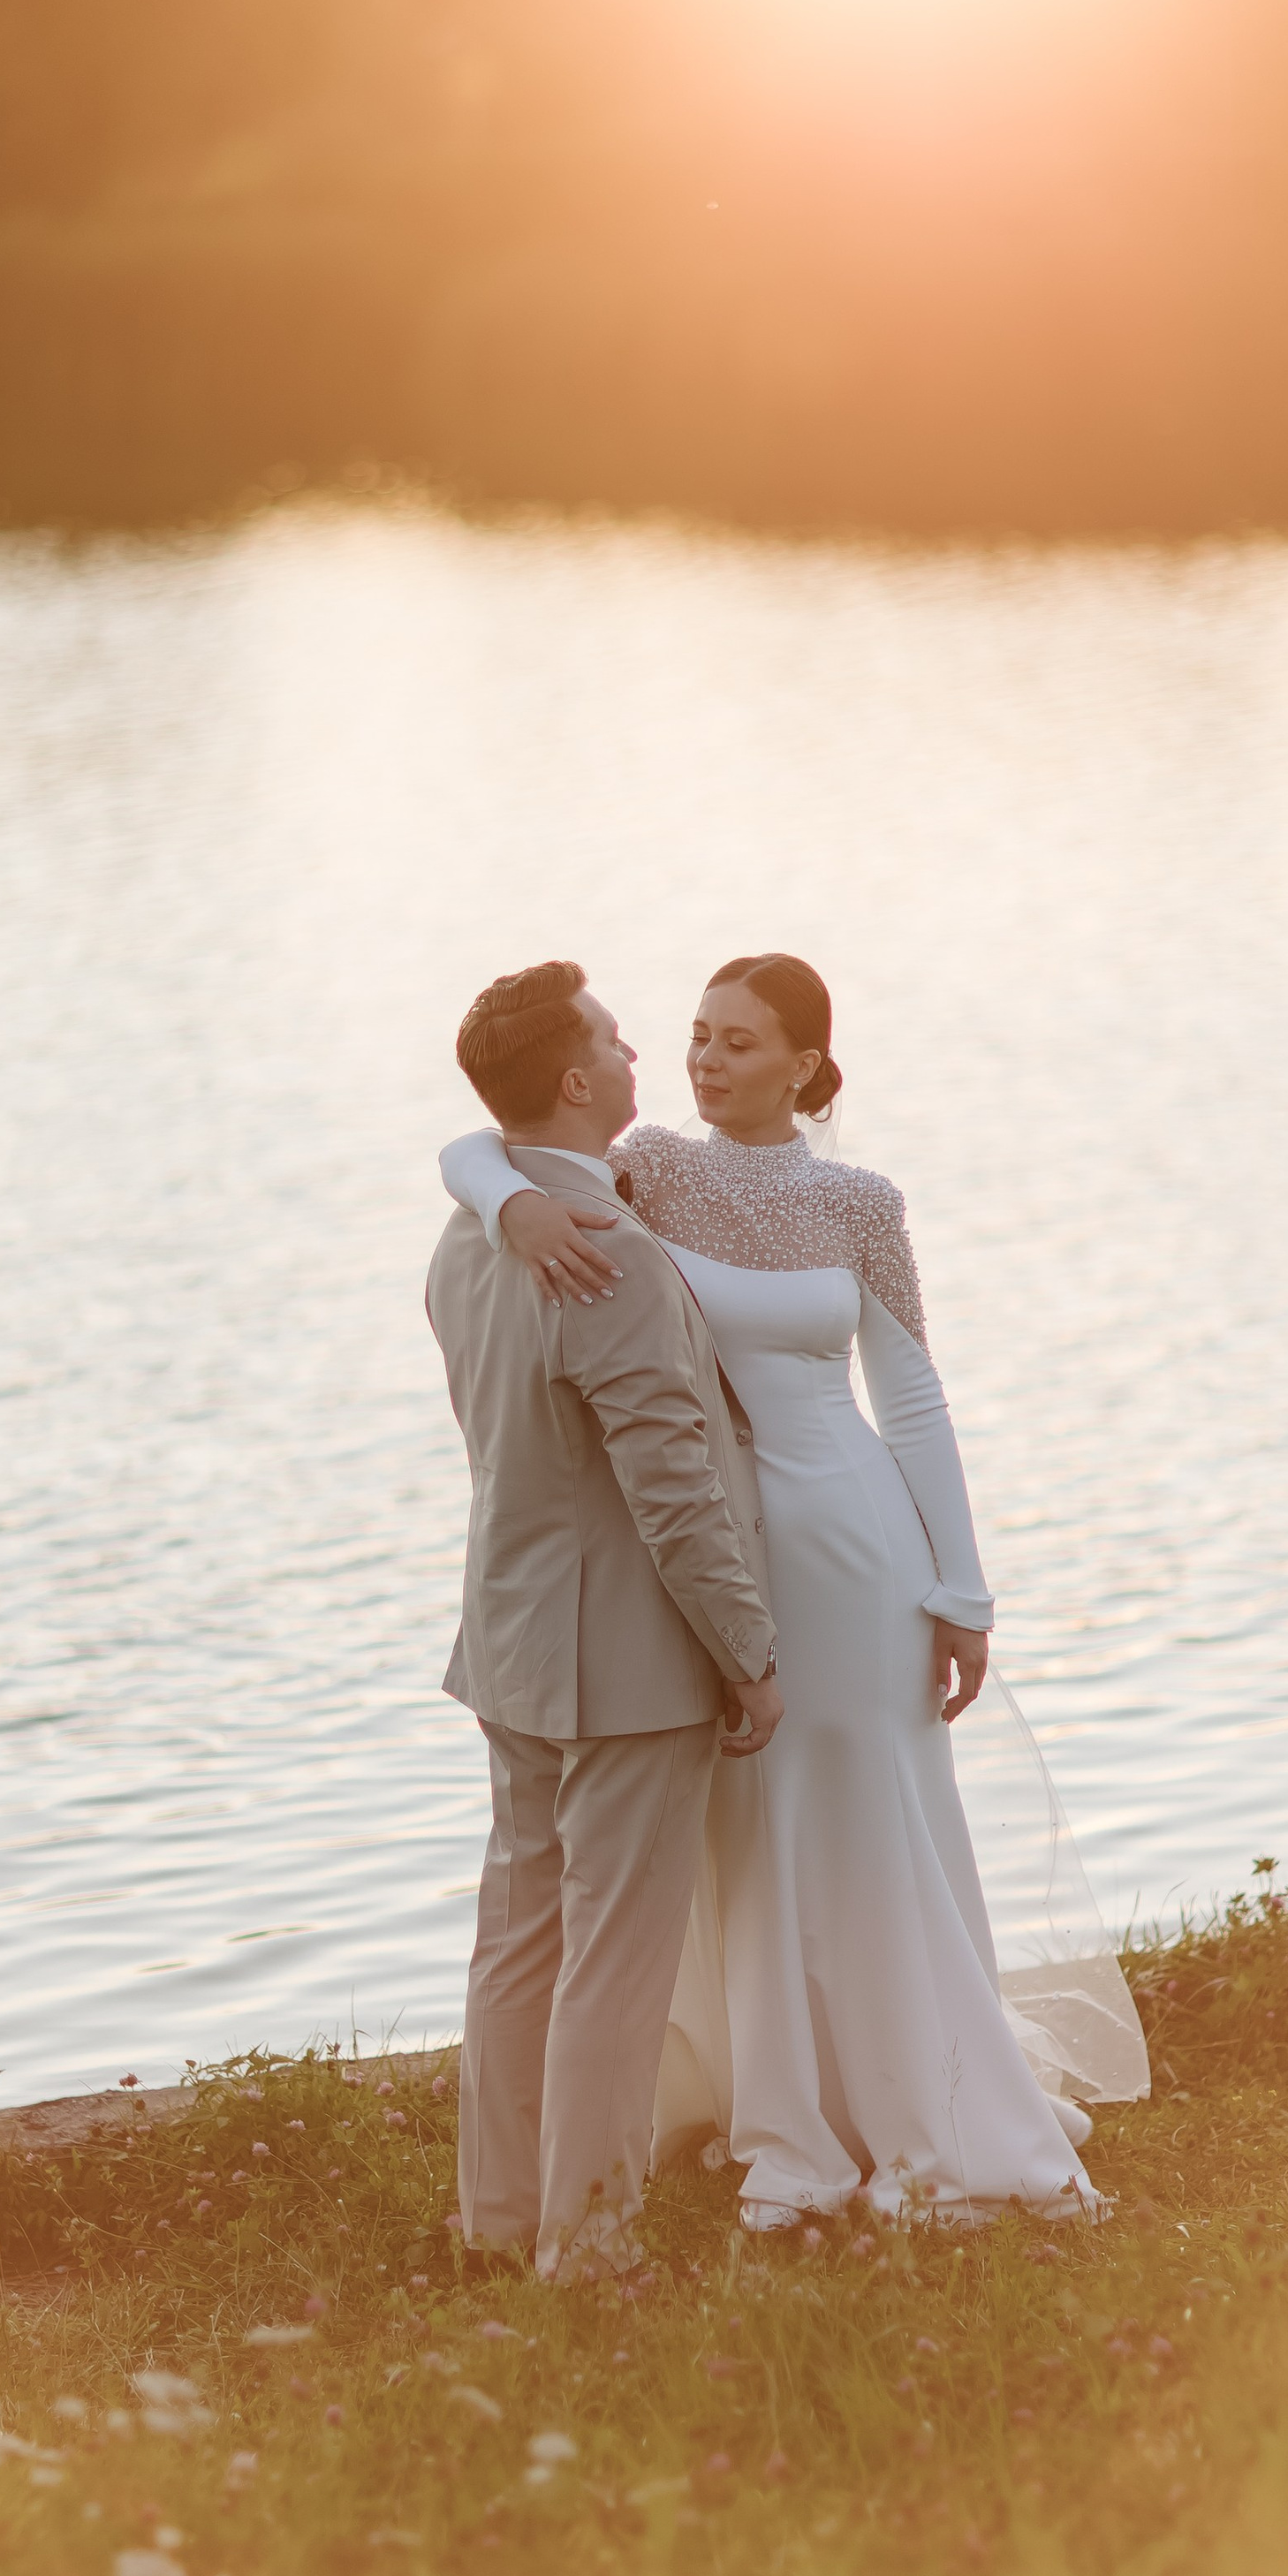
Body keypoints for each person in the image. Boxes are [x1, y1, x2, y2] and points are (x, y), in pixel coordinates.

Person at [441, 952, 1119, 2231]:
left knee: (870, 1807)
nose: (703, 1059)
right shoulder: (649, 1173)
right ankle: (788, 2109)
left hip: (858, 1543)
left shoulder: (862, 1205)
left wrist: (961, 1587)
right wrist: (505, 1207)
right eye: (694, 1034)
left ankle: (918, 2092)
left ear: (806, 1062)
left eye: (740, 1042)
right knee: (756, 1833)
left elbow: (910, 1396)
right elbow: (486, 1145)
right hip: (724, 1560)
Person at [426, 959, 784, 2279]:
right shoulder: (607, 1260)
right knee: (612, 1965)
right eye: (621, 1040)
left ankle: (498, 2223)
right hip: (627, 1664)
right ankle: (589, 2247)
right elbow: (673, 1486)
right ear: (576, 1081)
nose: (643, 1055)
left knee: (518, 1939)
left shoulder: (469, 1238)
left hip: (511, 1641)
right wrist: (747, 1654)